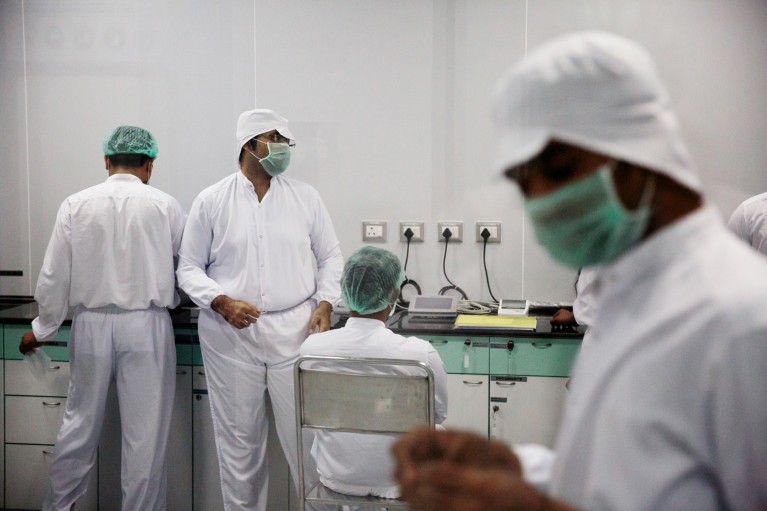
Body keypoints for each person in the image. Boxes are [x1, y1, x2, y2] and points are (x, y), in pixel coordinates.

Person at [393, 31, 767, 511]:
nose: (542, 201)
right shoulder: (623, 299)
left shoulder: (741, 325)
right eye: (524, 183)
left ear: (640, 154)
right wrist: (517, 470)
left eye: (559, 168)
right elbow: (619, 477)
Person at [176, 108, 344, 510]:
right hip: (231, 336)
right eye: (276, 139)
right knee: (239, 449)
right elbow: (188, 267)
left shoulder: (305, 197)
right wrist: (221, 302)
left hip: (298, 332)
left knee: (308, 443)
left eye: (286, 141)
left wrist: (326, 301)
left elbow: (331, 255)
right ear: (249, 143)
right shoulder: (211, 200)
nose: (284, 148)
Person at [19, 126, 186, 511]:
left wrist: (42, 328)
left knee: (77, 429)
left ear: (107, 161)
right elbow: (189, 266)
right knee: (145, 439)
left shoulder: (76, 205)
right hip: (147, 326)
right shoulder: (165, 205)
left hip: (91, 323)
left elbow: (53, 275)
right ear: (150, 164)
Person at [300, 246, 448, 500]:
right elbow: (438, 413)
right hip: (403, 477)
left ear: (346, 292)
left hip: (336, 475)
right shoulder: (419, 355)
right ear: (393, 297)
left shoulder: (313, 349)